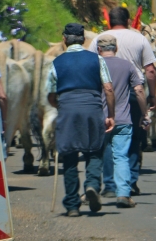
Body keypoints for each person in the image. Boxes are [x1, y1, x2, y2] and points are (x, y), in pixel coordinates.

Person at [46, 23, 115, 217]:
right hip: (92, 108)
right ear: (84, 40)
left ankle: (72, 205)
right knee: (94, 150)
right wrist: (110, 115)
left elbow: (51, 94)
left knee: (69, 155)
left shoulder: (56, 62)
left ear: (64, 39)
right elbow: (108, 89)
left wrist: (60, 106)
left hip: (67, 109)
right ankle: (92, 185)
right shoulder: (97, 59)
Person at [88, 6, 156, 196]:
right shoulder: (139, 39)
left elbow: (90, 66)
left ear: (109, 21)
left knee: (108, 139)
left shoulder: (98, 39)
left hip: (104, 93)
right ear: (128, 21)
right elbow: (150, 70)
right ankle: (130, 182)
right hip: (133, 94)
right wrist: (152, 95)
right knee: (133, 138)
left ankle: (109, 185)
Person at [97, 35, 148, 208]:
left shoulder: (94, 64)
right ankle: (123, 194)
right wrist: (144, 113)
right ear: (116, 48)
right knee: (121, 156)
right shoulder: (127, 66)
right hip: (123, 119)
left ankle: (97, 188)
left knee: (97, 154)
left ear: (99, 50)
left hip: (99, 119)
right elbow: (139, 90)